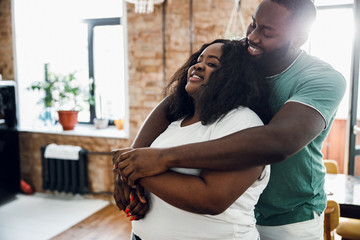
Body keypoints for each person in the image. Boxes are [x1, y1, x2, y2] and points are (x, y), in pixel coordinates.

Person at [114, 0, 347, 239]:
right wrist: (130, 166)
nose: (253, 37)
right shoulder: (243, 57)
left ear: (299, 38)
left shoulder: (322, 79)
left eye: (267, 32)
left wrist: (161, 158)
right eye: (253, 24)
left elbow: (278, 141)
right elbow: (175, 101)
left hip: (286, 216)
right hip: (237, 212)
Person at [114, 39, 271, 240]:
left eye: (212, 64)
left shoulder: (243, 121)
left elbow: (211, 199)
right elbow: (147, 167)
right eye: (198, 60)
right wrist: (137, 189)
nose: (198, 66)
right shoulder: (175, 121)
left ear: (235, 78)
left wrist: (132, 171)